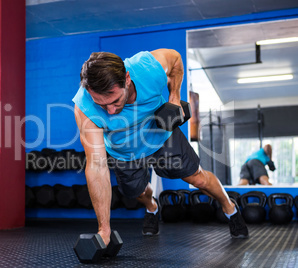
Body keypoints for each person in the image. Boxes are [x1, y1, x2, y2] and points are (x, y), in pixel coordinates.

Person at [72, 49, 249, 247]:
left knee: (198, 178)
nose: (111, 111)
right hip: (124, 151)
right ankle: (152, 207)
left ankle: (230, 208)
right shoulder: (84, 106)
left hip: (160, 134)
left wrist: (174, 96)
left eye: (114, 100)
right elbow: (96, 166)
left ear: (127, 79)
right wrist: (103, 230)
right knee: (137, 193)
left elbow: (175, 59)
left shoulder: (147, 69)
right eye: (101, 105)